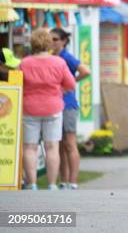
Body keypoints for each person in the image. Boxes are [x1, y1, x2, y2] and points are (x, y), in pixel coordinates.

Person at [20, 29, 76, 190]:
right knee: (52, 147)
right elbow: (71, 84)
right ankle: (52, 184)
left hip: (30, 108)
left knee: (30, 147)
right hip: (53, 107)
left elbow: (17, 83)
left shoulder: (25, 63)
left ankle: (32, 183)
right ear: (49, 43)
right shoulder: (59, 62)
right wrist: (59, 90)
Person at [50, 28, 91, 190]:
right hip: (53, 104)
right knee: (59, 144)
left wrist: (70, 84)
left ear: (64, 41)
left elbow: (85, 71)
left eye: (55, 39)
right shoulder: (52, 57)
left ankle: (73, 182)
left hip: (68, 105)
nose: (52, 42)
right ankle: (63, 181)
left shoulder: (66, 57)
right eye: (50, 39)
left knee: (70, 143)